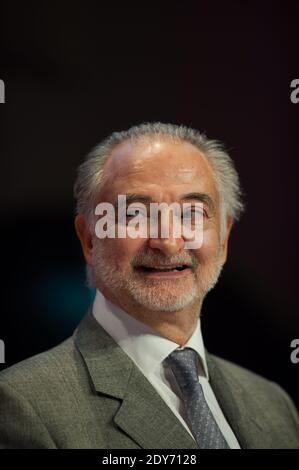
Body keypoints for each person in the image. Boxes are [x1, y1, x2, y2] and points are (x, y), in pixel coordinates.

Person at [0, 123, 298, 449]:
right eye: (136, 214)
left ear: (223, 238)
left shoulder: (275, 405)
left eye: (191, 213)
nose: (168, 242)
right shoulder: (24, 404)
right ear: (89, 240)